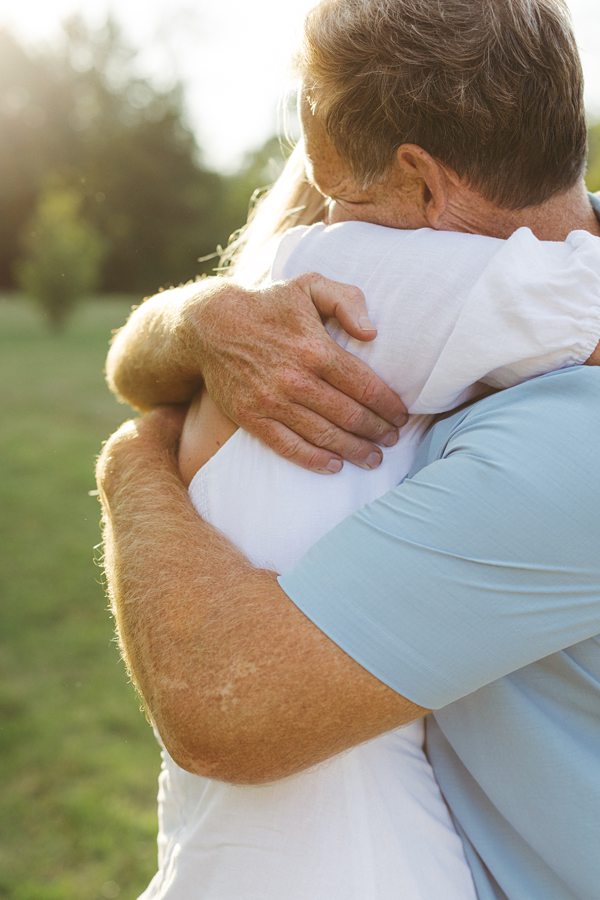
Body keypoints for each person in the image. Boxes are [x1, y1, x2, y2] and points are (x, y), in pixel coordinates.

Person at [98, 2, 600, 898]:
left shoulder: (573, 433)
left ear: (421, 180)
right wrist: (199, 319)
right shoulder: (516, 271)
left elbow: (228, 710)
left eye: (345, 196)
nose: (333, 226)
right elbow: (137, 360)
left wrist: (129, 464)